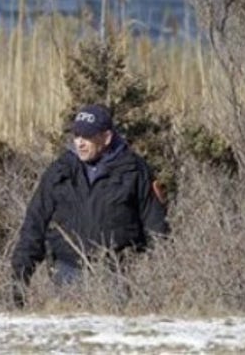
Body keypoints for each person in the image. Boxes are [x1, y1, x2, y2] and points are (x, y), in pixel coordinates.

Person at [10, 104, 169, 307]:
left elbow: (156, 228)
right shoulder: (61, 170)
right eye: (76, 136)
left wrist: (157, 277)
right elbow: (35, 223)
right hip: (66, 273)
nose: (80, 143)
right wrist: (20, 277)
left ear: (106, 137)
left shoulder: (134, 170)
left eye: (87, 137)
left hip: (118, 275)